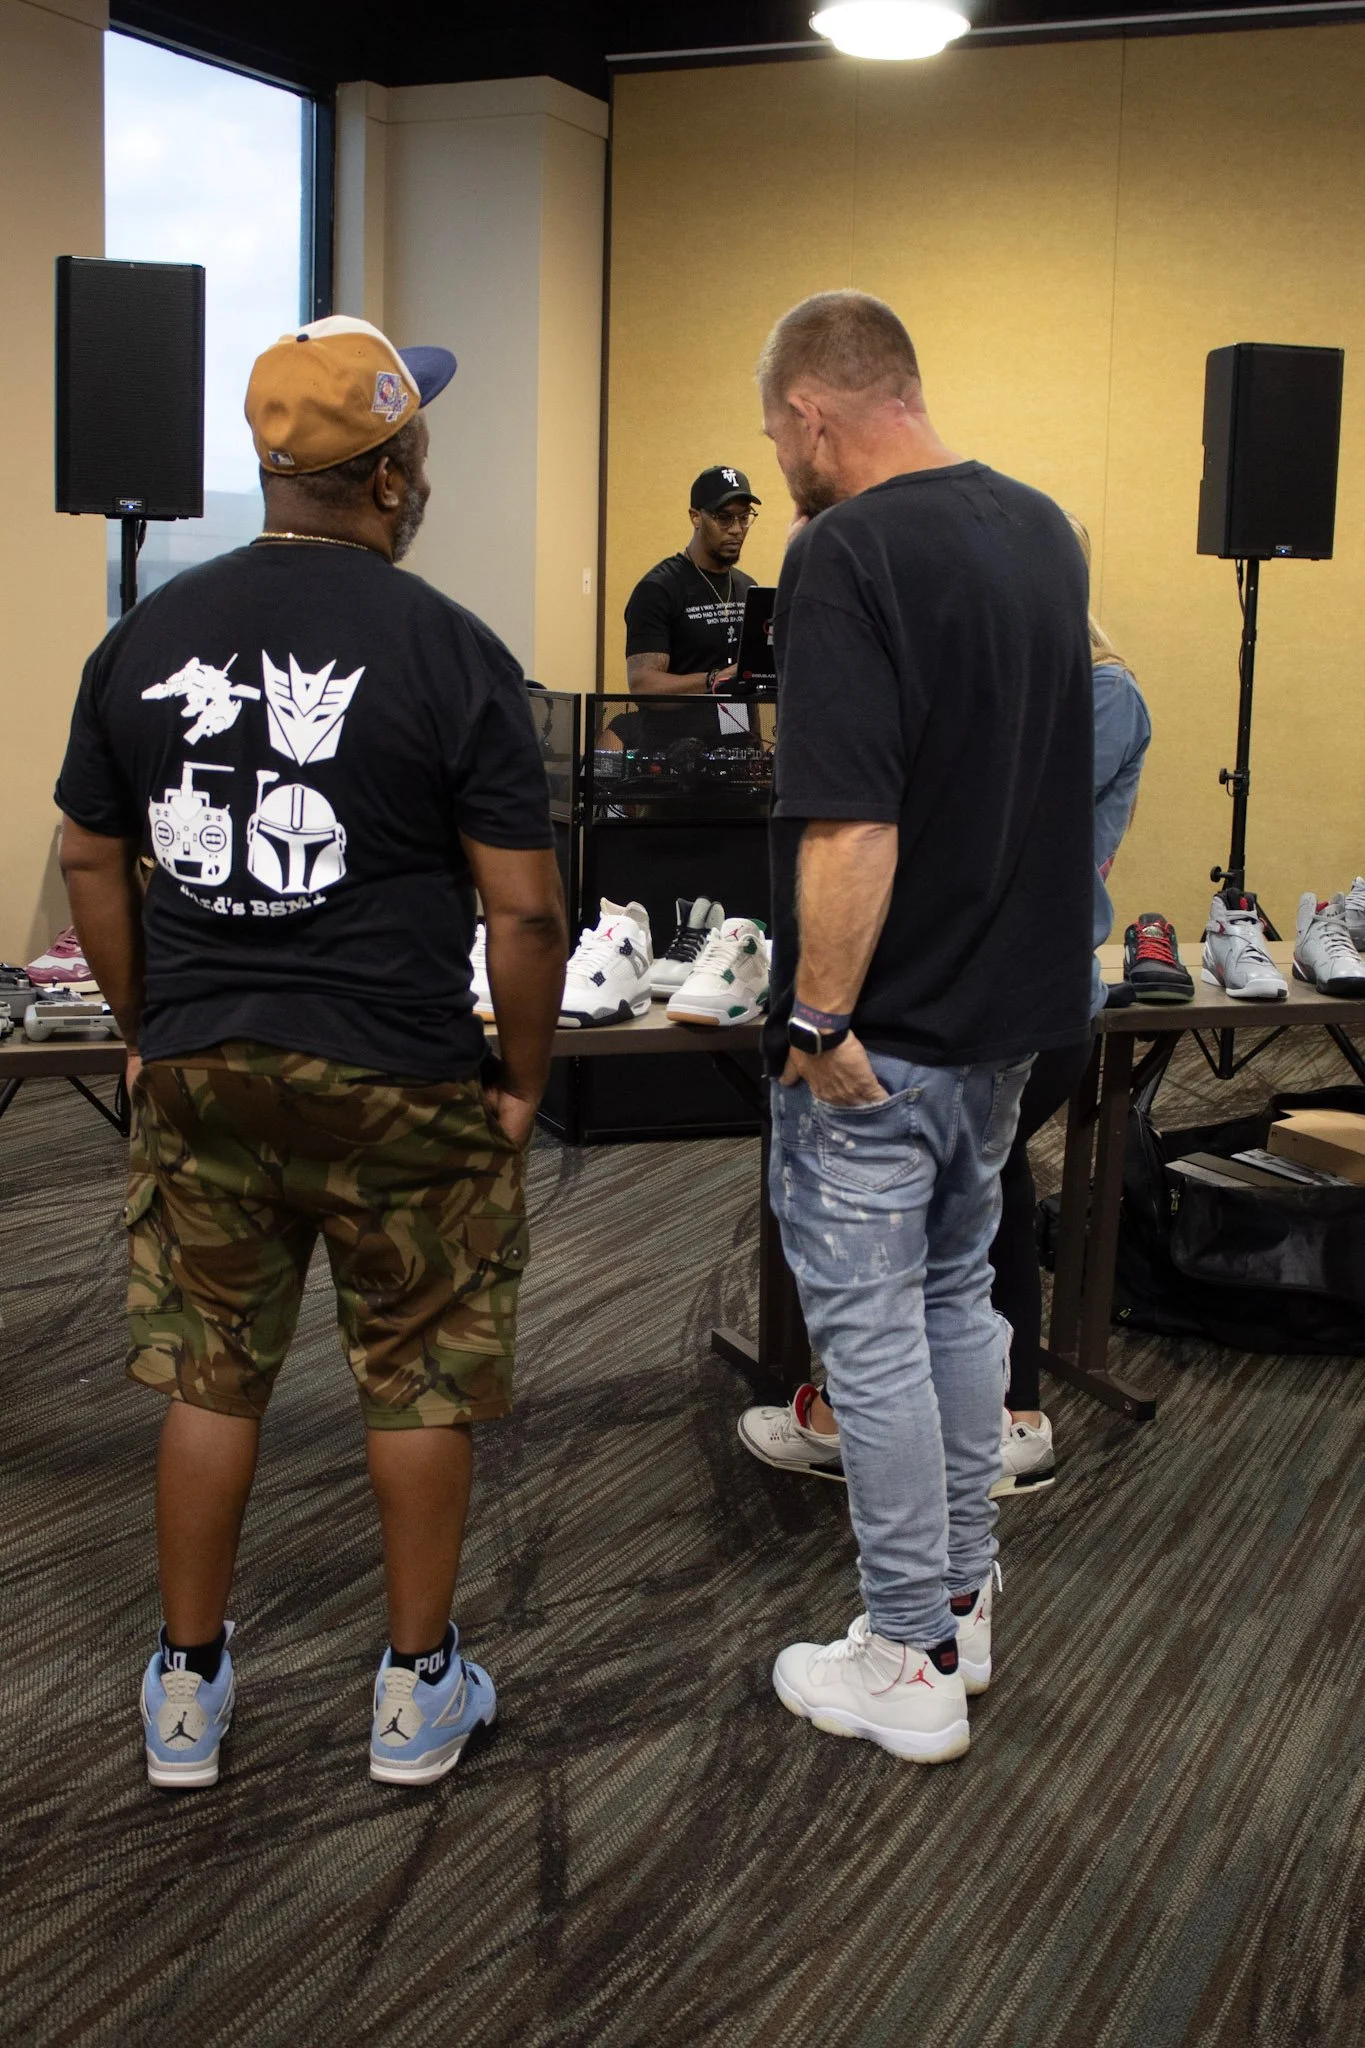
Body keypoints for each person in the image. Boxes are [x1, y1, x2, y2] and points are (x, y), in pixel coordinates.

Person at [54, 314, 568, 1792]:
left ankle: (188, 1692)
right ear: (394, 473)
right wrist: (522, 1081)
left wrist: (155, 1028)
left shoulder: (140, 637)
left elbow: (93, 861)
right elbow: (526, 916)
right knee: (416, 1377)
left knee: (209, 1378)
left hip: (207, 1064)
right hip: (402, 1074)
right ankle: (414, 1694)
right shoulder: (457, 653)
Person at [749, 290, 1095, 1765]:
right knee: (959, 1303)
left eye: (778, 438)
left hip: (883, 1035)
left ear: (815, 414)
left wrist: (818, 1015)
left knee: (872, 1336)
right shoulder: (1040, 528)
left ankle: (901, 1656)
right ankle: (959, 1603)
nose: (779, 465)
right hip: (1008, 1015)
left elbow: (852, 821)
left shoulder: (845, 551)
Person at [742, 513, 1151, 1499]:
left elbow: (966, 822)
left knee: (978, 1194)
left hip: (1028, 990)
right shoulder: (1019, 690)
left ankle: (1010, 1419)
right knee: (944, 1203)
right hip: (960, 987)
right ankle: (880, 1418)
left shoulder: (1100, 693)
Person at [619, 466, 762, 749]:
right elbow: (643, 686)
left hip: (740, 754)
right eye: (723, 518)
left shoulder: (748, 588)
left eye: (744, 518)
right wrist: (714, 681)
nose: (736, 529)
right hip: (677, 758)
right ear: (695, 517)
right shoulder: (659, 589)